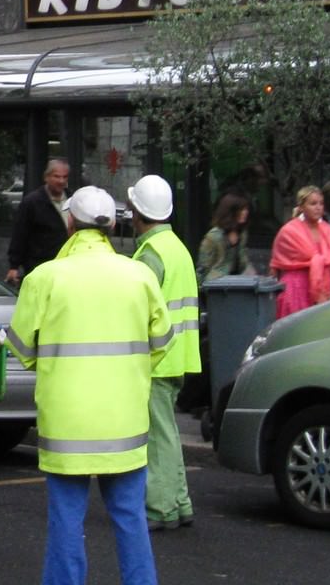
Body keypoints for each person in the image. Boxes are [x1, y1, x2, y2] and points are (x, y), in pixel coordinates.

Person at [6, 185, 172, 585]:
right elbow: (162, 343)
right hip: (125, 421)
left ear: (69, 223)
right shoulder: (140, 276)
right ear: (113, 224)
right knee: (130, 519)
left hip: (68, 426)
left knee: (66, 521)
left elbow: (23, 350)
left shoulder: (44, 279)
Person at [127, 175, 200, 532]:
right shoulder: (177, 247)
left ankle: (160, 508)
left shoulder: (150, 255)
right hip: (177, 355)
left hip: (156, 359)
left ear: (137, 212)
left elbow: (138, 311)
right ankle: (179, 502)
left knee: (157, 437)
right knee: (167, 432)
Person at [269, 185, 330, 318]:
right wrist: (269, 298)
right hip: (294, 293)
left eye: (321, 203)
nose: (318, 207)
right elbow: (275, 267)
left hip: (323, 294)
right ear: (301, 207)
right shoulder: (288, 231)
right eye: (313, 203)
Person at [6, 158, 71, 286]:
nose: (61, 181)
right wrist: (14, 266)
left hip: (67, 267)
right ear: (46, 177)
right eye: (57, 177)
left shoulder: (73, 199)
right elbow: (20, 235)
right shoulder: (32, 202)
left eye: (65, 177)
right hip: (40, 267)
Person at [195, 192, 252, 283]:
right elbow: (202, 269)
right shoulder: (213, 237)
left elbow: (243, 263)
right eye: (241, 210)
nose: (245, 213)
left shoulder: (242, 234)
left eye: (246, 209)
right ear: (230, 212)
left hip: (239, 284)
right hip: (216, 286)